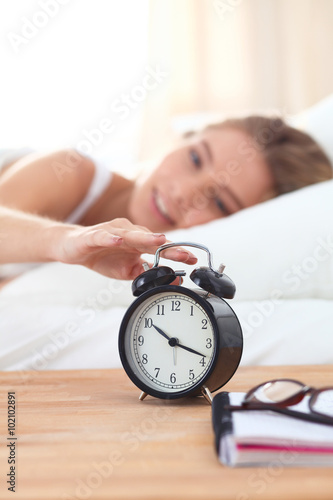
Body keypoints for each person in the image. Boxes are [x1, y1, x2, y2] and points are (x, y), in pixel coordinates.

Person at [0, 115, 332, 288]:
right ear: (180, 140)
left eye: (219, 203)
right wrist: (65, 240)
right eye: (195, 158)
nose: (184, 192)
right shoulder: (69, 170)